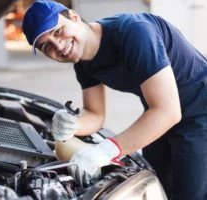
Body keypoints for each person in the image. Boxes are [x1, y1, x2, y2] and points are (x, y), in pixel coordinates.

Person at [22, 1, 207, 199]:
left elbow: (168, 112)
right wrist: (71, 125)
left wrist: (105, 151)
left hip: (199, 112)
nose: (58, 46)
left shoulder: (134, 33)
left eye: (58, 31)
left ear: (73, 17)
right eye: (47, 46)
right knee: (155, 186)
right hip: (158, 114)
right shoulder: (84, 63)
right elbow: (95, 114)